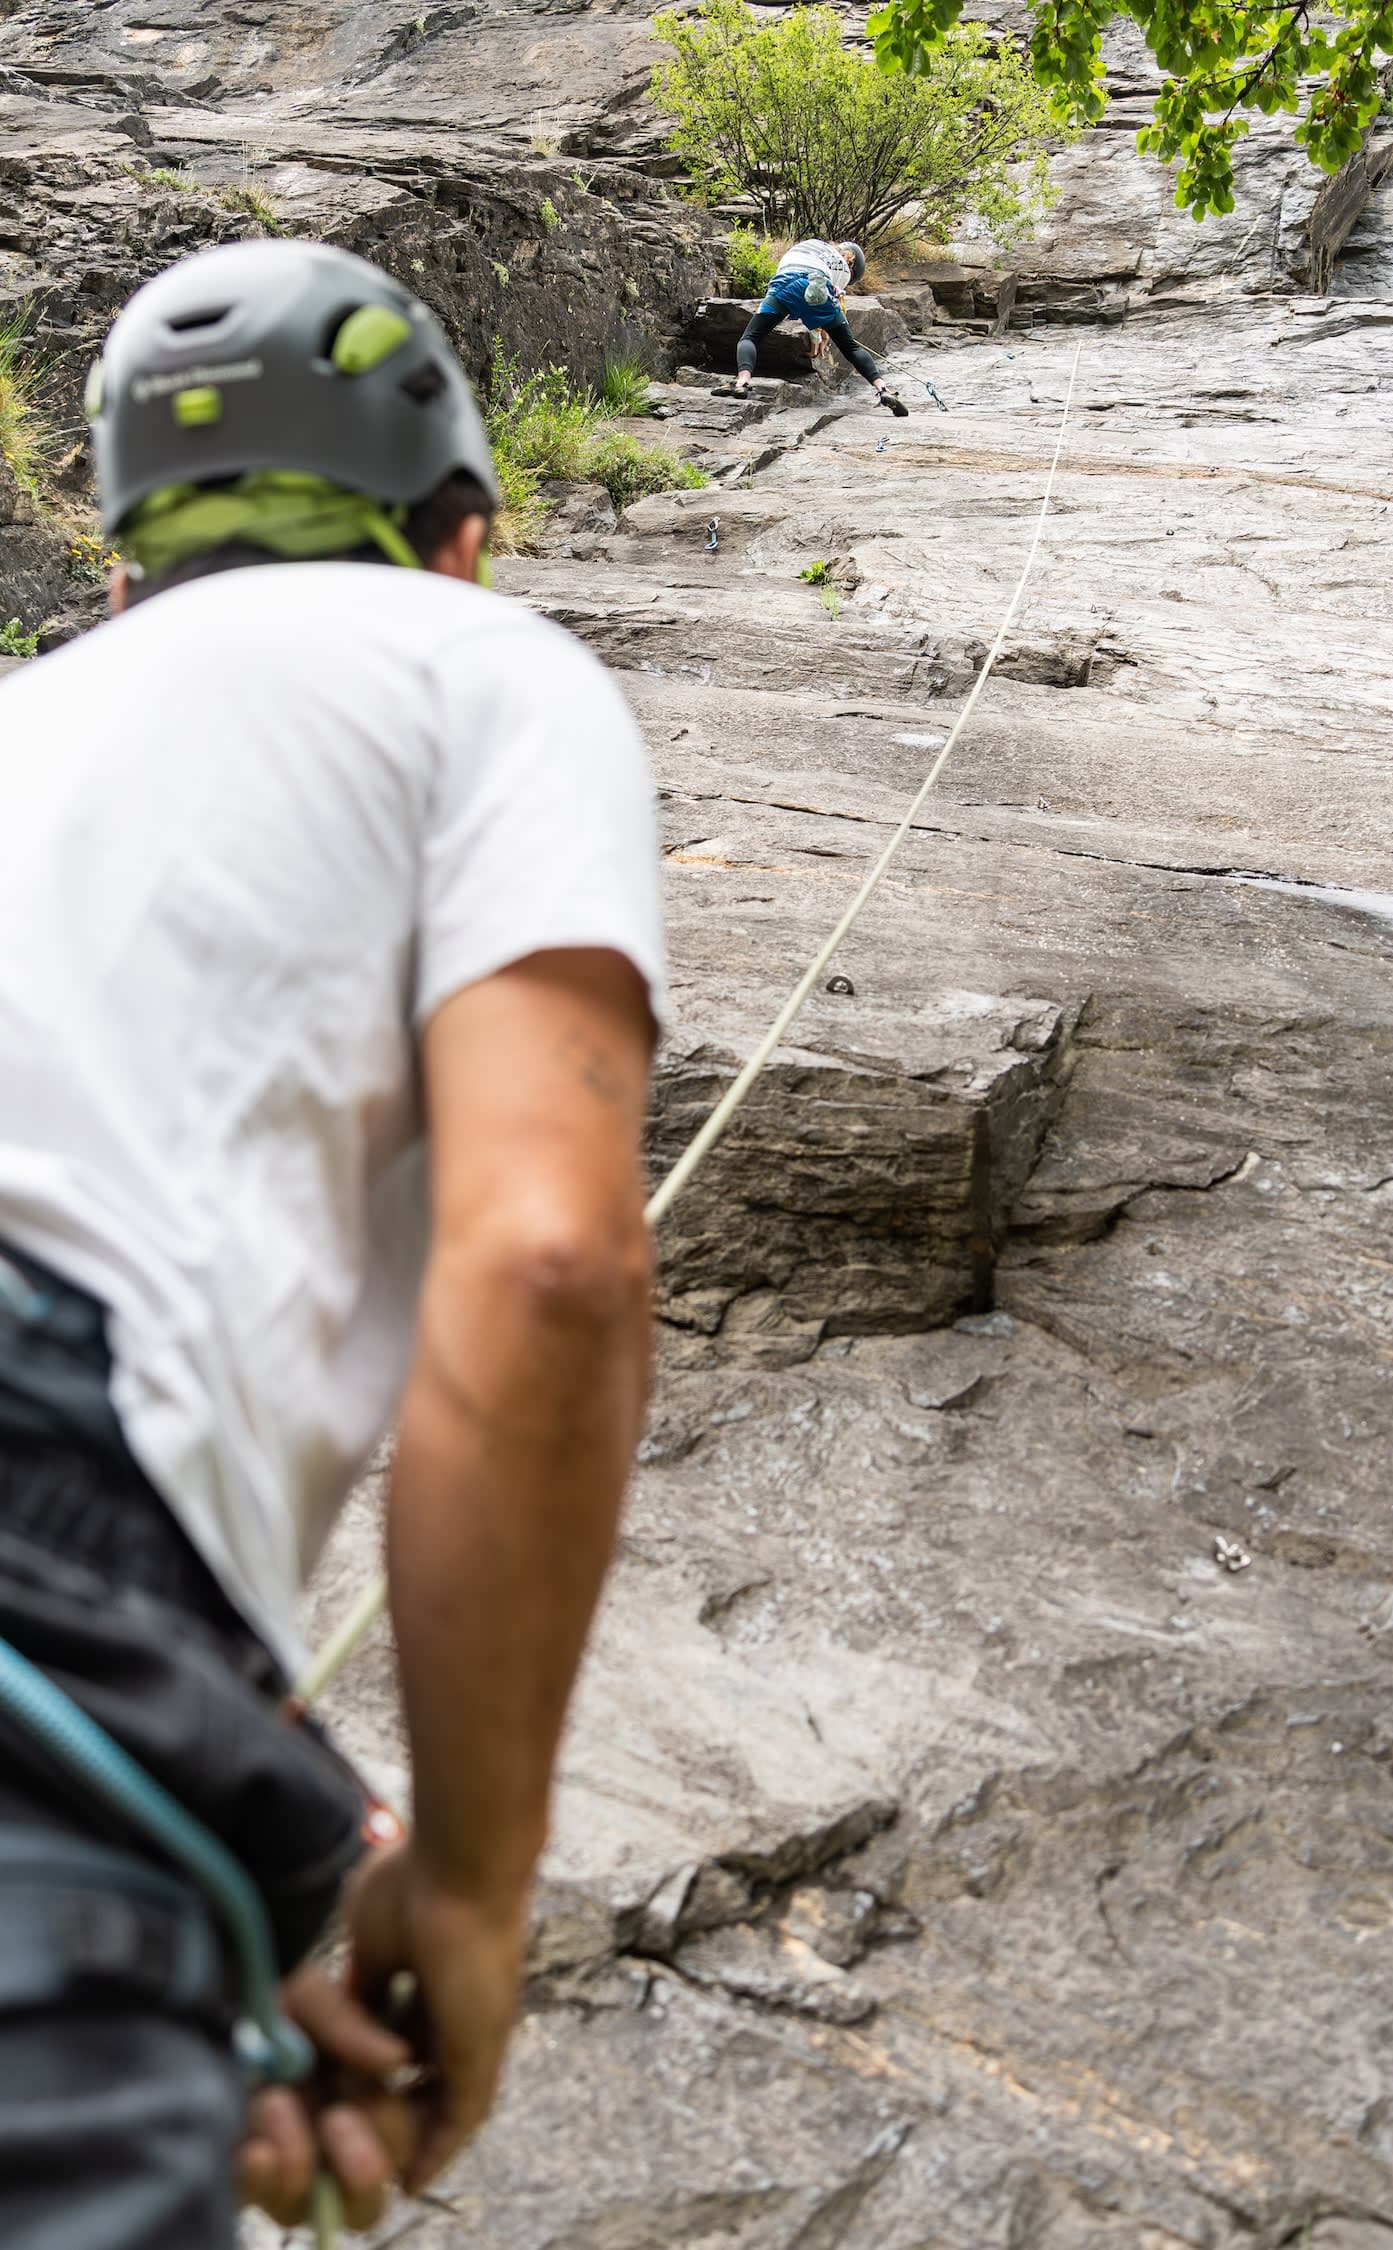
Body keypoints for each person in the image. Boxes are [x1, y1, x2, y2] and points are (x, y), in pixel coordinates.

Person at [0, 236, 664, 2246]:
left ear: (120, 574)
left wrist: (237, 1873)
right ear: (457, 539)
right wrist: (462, 1883)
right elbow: (547, 1266)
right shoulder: (485, 672)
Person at [726, 237, 908, 413]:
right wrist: (820, 333)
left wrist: (817, 332)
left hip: (784, 285)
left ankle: (742, 382)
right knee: (850, 347)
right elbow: (818, 299)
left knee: (751, 337)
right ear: (853, 267)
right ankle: (884, 390)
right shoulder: (843, 268)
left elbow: (797, 283)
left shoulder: (811, 245)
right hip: (817, 287)